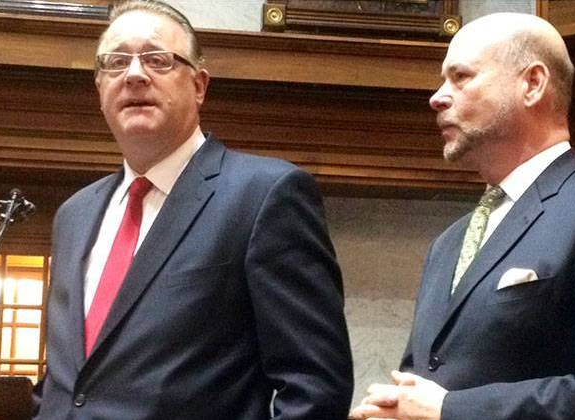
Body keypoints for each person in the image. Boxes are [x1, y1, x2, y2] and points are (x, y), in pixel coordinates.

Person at [350, 12, 575, 420]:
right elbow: (427, 382)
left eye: (461, 77)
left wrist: (447, 409)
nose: (437, 96)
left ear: (532, 84)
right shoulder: (449, 244)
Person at [33, 1, 353, 418]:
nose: (133, 74)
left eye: (157, 59)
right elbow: (69, 379)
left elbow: (316, 387)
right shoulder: (74, 214)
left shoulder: (265, 195)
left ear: (199, 85)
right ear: (99, 89)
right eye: (115, 63)